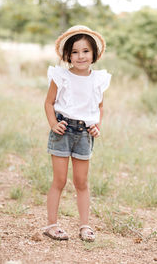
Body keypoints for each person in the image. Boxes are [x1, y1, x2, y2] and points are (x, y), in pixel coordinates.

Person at [42, 25, 111, 242]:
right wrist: (53, 124)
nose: (80, 56)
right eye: (74, 52)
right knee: (59, 180)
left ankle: (85, 226)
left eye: (85, 51)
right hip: (63, 131)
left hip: (84, 134)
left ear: (94, 54)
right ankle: (51, 225)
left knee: (81, 181)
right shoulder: (60, 76)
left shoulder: (97, 79)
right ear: (67, 55)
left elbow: (99, 107)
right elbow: (49, 102)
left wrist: (96, 125)